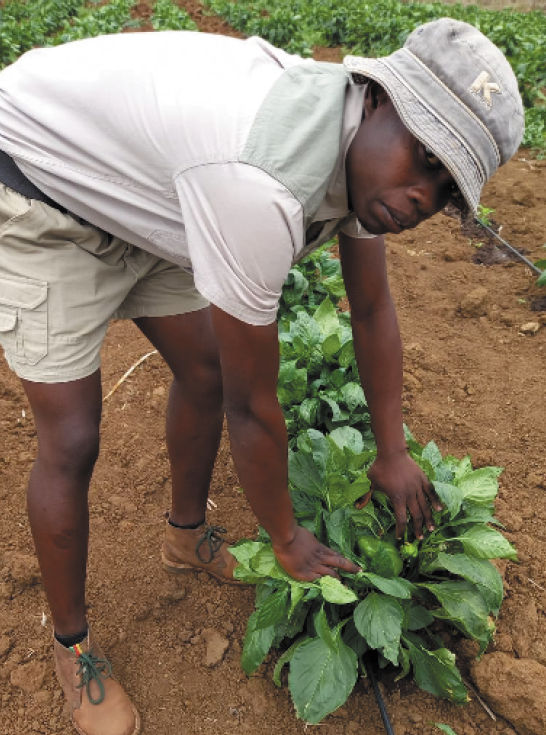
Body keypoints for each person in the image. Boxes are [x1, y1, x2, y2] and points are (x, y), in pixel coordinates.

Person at [0, 18, 523, 735]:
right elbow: (255, 406)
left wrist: (393, 450)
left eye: (445, 188)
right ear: (375, 100)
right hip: (38, 181)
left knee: (206, 367)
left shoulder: (363, 161)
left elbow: (371, 309)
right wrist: (284, 537)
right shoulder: (260, 185)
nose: (420, 197)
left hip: (147, 187)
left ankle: (185, 537)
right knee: (73, 435)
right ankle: (73, 645)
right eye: (424, 156)